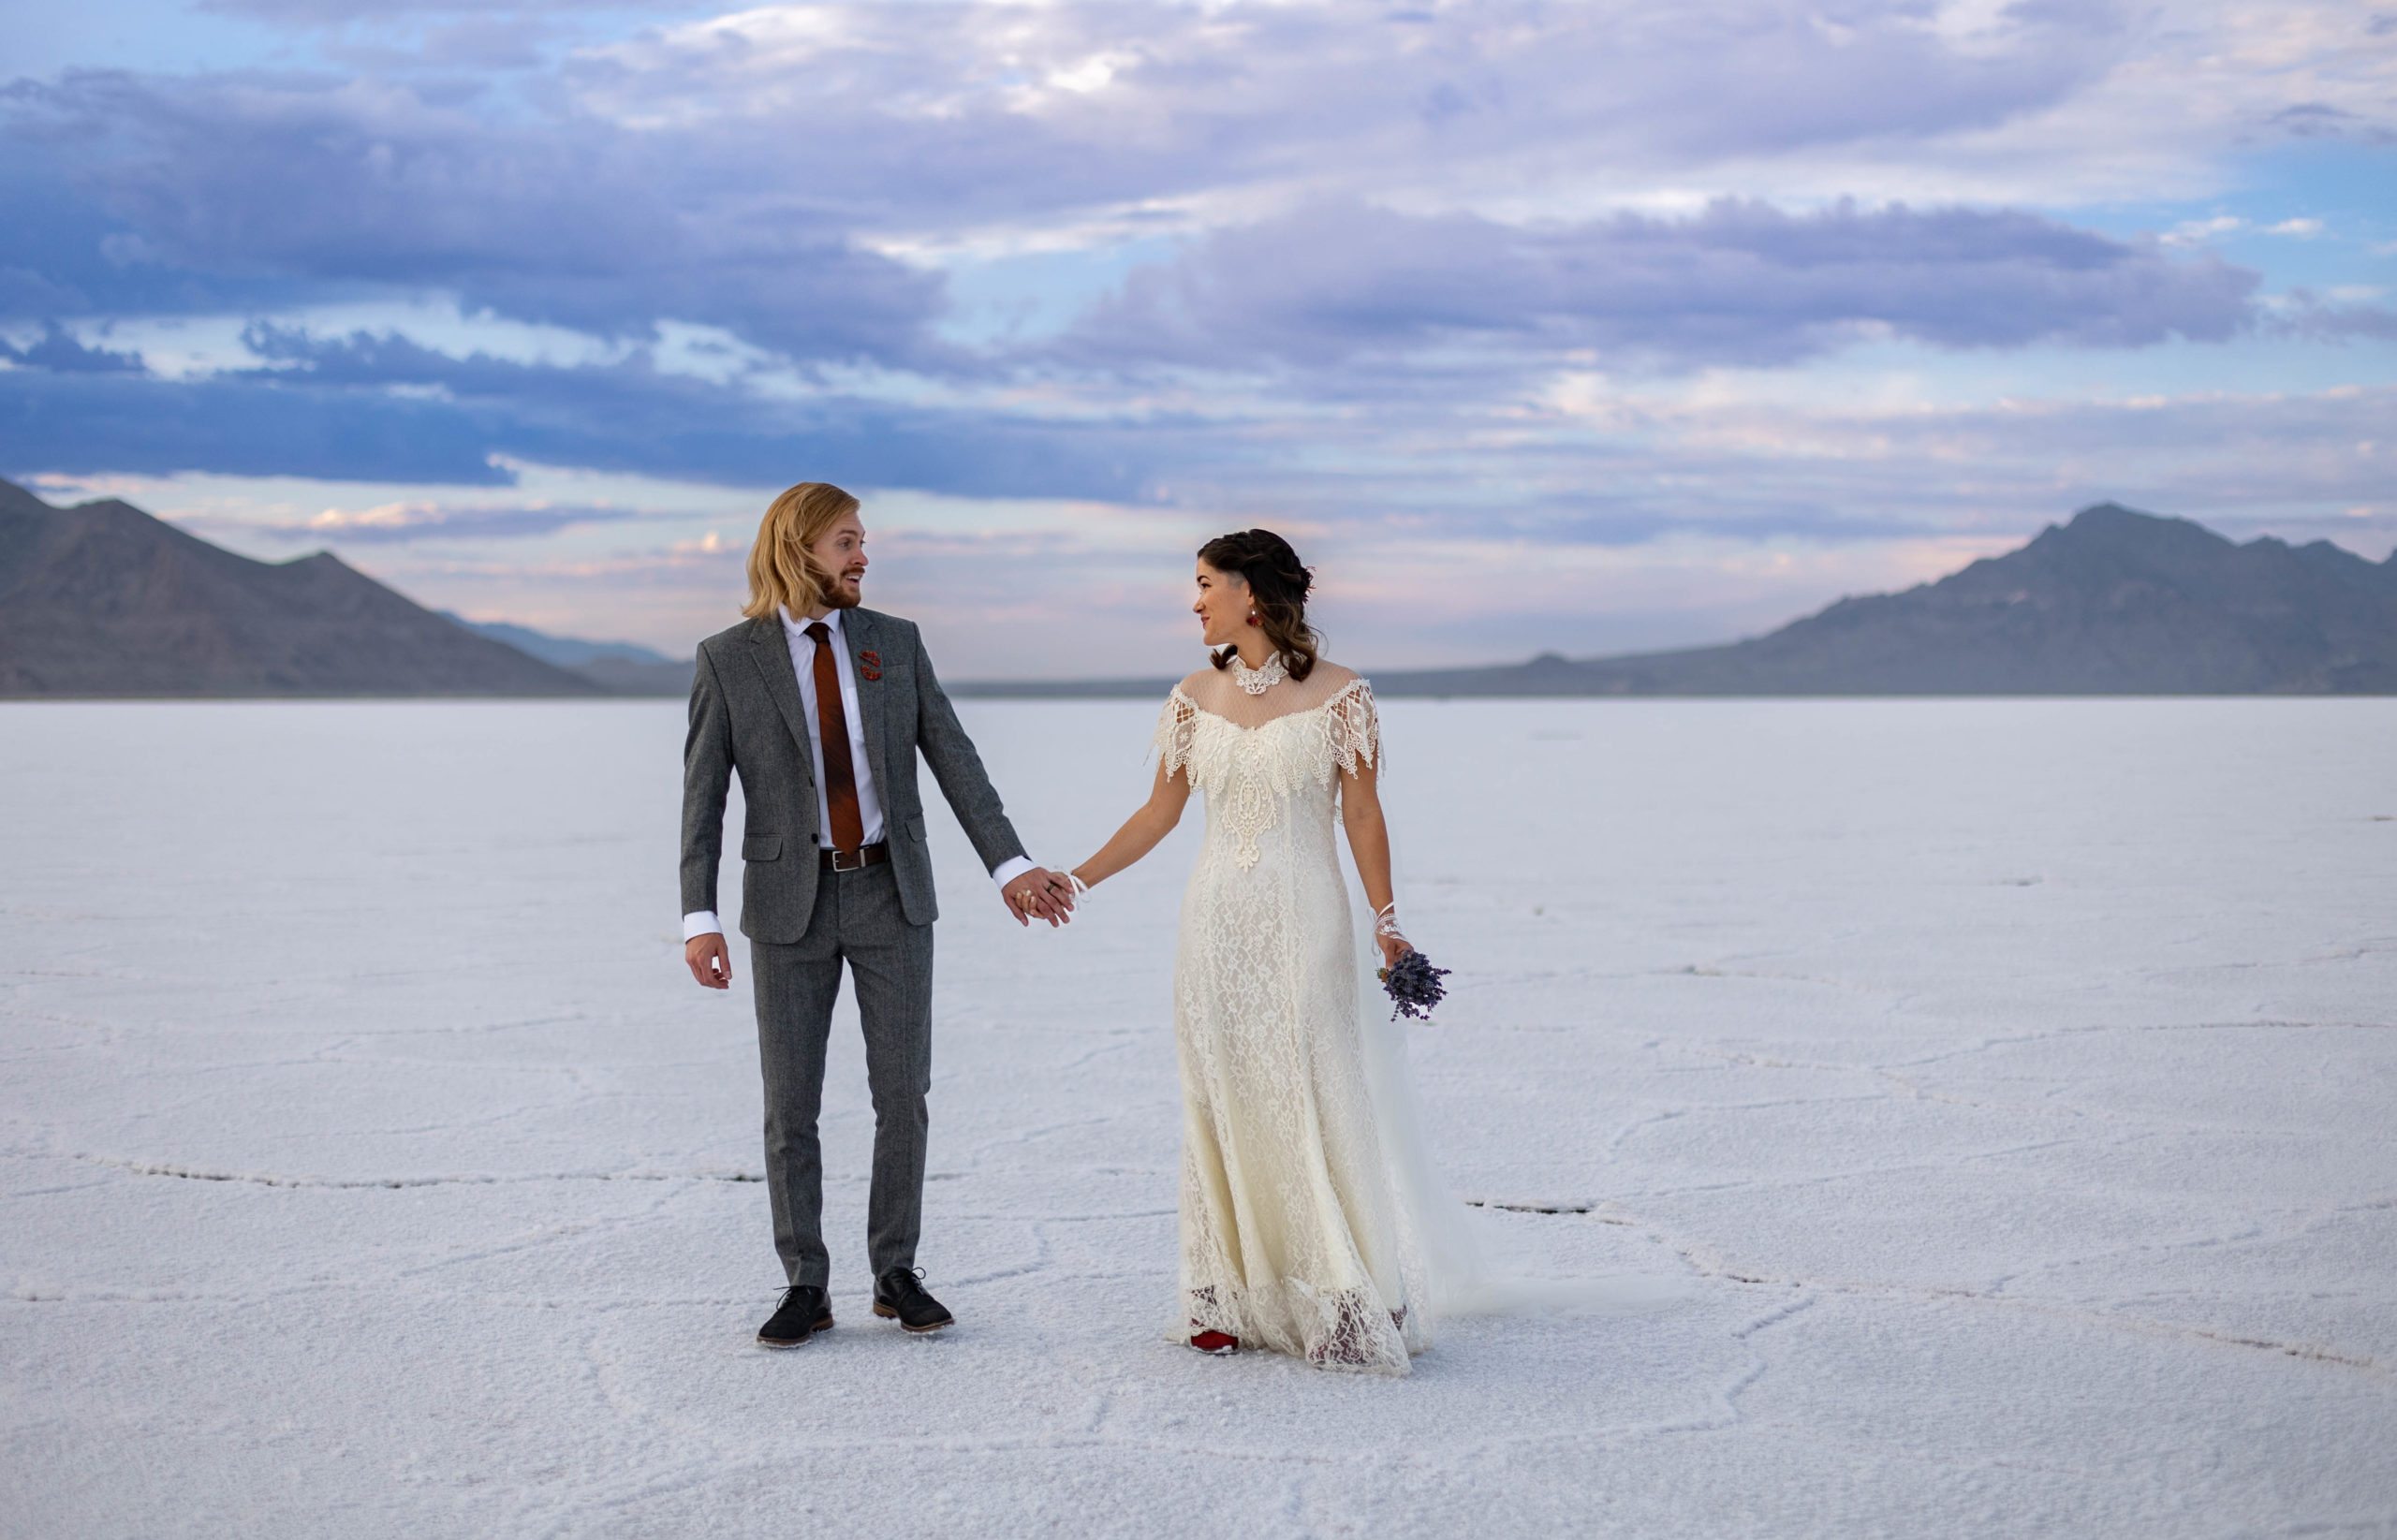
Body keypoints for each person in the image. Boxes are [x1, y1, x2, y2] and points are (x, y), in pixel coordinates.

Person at [680, 481, 1076, 1349]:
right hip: (788, 906)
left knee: (904, 1092)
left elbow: (956, 759)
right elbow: (702, 799)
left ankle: (896, 1271)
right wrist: (696, 916)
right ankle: (806, 1281)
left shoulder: (894, 644)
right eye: (847, 543)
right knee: (792, 1105)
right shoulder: (727, 659)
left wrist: (1010, 863)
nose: (863, 557)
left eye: (862, 542)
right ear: (799, 549)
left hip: (892, 895)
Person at [1064, 529, 1434, 1374]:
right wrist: (1075, 878)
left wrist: (1387, 919)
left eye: (1204, 584)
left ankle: (1347, 1293)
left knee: (1309, 1087)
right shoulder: (1193, 696)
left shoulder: (1346, 697)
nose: (1194, 602)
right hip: (1214, 926)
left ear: (1251, 593)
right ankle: (1222, 1293)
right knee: (1221, 1093)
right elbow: (1157, 815)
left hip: (1306, 918)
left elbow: (1363, 815)